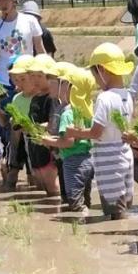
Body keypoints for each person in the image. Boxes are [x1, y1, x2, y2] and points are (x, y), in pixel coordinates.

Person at [66, 43, 135, 220]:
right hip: (125, 154)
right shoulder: (127, 96)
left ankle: (118, 239)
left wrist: (75, 132)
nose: (96, 80)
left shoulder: (105, 98)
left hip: (108, 158)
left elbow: (96, 133)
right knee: (123, 205)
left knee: (114, 211)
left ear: (102, 70)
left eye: (95, 74)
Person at [41, 65, 96, 212]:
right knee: (86, 198)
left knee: (75, 200)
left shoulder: (67, 113)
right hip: (88, 160)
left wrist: (48, 141)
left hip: (73, 162)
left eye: (64, 83)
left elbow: (69, 142)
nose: (60, 85)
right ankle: (87, 222)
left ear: (71, 88)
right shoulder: (86, 110)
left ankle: (81, 224)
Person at [0, 0, 44, 85]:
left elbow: (40, 50)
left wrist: (48, 73)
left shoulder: (30, 21)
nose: (3, 3)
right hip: (4, 81)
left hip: (29, 79)